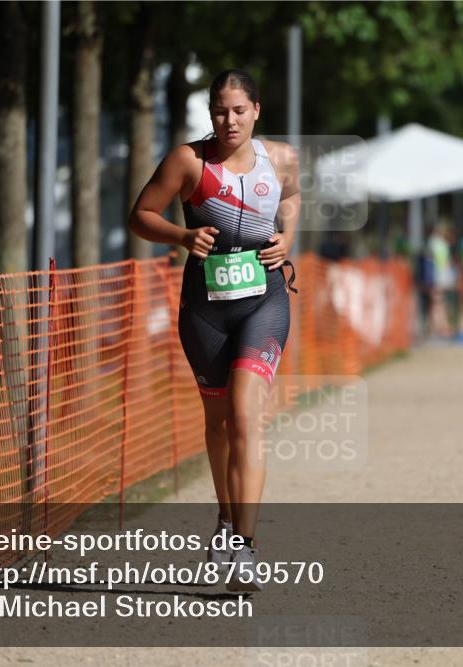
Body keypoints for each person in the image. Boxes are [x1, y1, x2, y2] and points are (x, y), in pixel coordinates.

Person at [127, 69, 300, 592]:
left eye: (239, 111)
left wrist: (288, 237)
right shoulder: (188, 161)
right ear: (210, 114)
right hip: (205, 308)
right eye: (220, 111)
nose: (230, 121)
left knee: (246, 416)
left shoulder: (281, 158)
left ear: (257, 110)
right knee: (220, 423)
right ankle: (226, 519)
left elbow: (291, 197)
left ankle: (245, 546)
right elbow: (141, 215)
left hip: (264, 300)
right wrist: (181, 236)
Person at [428, 223, 460, 338]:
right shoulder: (438, 244)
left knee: (439, 303)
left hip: (439, 278)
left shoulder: (435, 243)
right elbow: (443, 263)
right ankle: (439, 327)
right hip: (438, 278)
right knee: (438, 303)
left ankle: (439, 327)